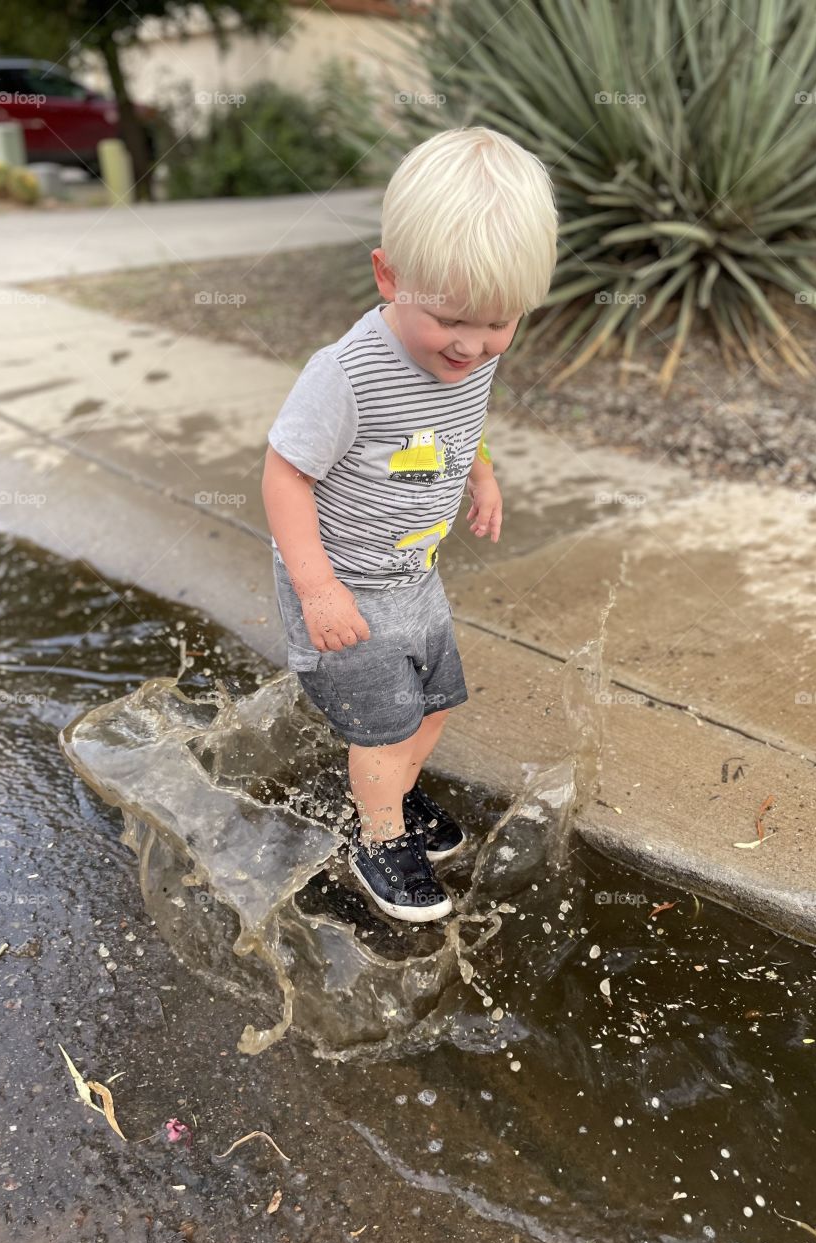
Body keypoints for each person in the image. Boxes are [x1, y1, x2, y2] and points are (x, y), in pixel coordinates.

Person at [261, 126, 558, 924]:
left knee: (439, 700)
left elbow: (465, 416)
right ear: (389, 278)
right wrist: (318, 590)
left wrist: (482, 472)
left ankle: (392, 791)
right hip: (345, 585)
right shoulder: (347, 376)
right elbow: (285, 473)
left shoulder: (473, 352)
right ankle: (378, 835)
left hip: (412, 576)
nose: (473, 346)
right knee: (386, 725)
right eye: (454, 322)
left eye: (500, 324)